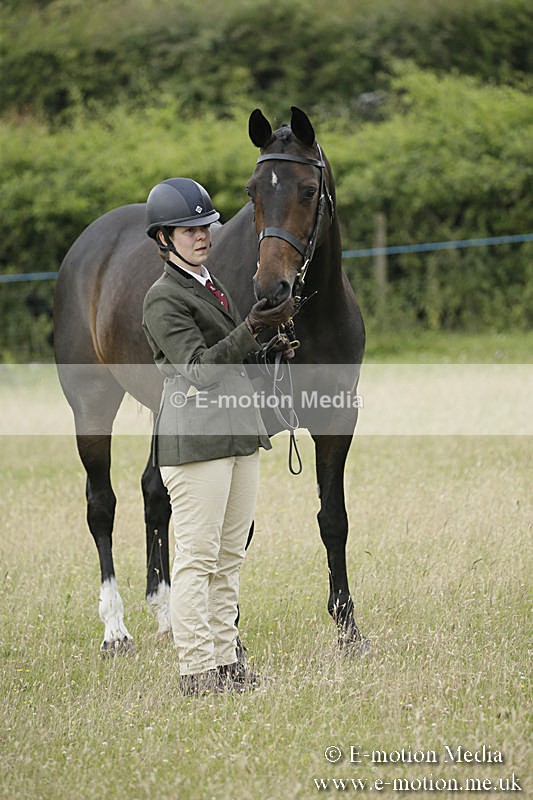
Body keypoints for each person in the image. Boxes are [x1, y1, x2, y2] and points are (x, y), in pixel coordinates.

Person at [142, 178, 294, 696]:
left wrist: (268, 344)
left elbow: (233, 355)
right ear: (164, 238)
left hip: (237, 435)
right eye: (189, 230)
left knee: (230, 558)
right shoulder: (162, 299)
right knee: (198, 559)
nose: (202, 236)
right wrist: (251, 328)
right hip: (196, 442)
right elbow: (199, 370)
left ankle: (227, 661)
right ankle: (196, 670)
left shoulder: (210, 284)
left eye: (205, 226)